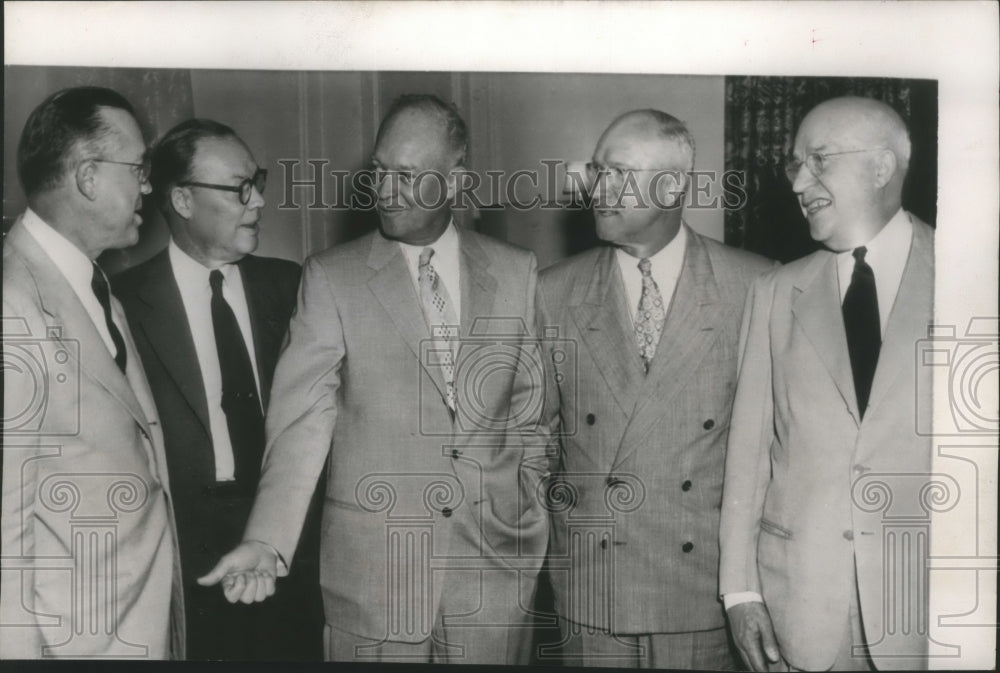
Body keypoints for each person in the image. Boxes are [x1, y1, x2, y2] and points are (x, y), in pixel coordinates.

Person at [198, 94, 552, 664]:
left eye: (407, 176)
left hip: (494, 579)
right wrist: (268, 538)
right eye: (380, 172)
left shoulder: (516, 272)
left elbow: (534, 417)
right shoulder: (333, 278)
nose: (385, 191)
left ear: (456, 183)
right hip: (375, 583)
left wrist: (527, 520)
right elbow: (300, 424)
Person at [537, 109, 773, 668]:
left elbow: (772, 454)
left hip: (704, 596)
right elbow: (535, 445)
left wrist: (749, 589)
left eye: (617, 173)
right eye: (595, 172)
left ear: (671, 187)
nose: (597, 189)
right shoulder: (552, 291)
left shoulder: (757, 284)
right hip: (593, 595)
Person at [719, 96, 933, 671]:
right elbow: (748, 456)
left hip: (931, 609)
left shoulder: (973, 275)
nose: (798, 183)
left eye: (819, 160)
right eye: (795, 165)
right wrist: (740, 592)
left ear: (882, 167)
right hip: (801, 608)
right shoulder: (774, 291)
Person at [112, 119, 323, 661]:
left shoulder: (295, 287)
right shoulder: (121, 303)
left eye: (257, 181)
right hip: (184, 562)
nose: (256, 202)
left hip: (292, 552)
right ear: (182, 199)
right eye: (237, 188)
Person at [1, 86, 184, 658]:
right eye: (138, 169)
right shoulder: (12, 303)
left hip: (129, 625)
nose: (147, 187)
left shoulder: (90, 283)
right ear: (87, 177)